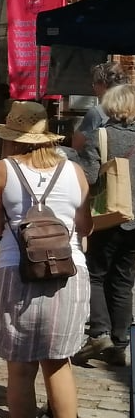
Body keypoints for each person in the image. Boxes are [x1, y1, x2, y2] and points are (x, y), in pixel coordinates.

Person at [0, 101, 90, 418]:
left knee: (21, 370)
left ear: (12, 138)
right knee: (59, 363)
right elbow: (86, 226)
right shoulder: (74, 171)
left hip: (19, 272)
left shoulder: (3, 170)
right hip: (69, 272)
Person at [74, 83, 135, 368]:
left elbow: (89, 179)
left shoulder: (100, 136)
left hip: (108, 215)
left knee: (94, 274)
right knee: (123, 281)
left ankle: (100, 332)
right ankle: (120, 343)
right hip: (134, 220)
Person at [71, 61, 129, 151]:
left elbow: (78, 146)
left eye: (94, 83)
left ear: (104, 84)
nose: (93, 87)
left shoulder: (97, 113)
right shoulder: (131, 110)